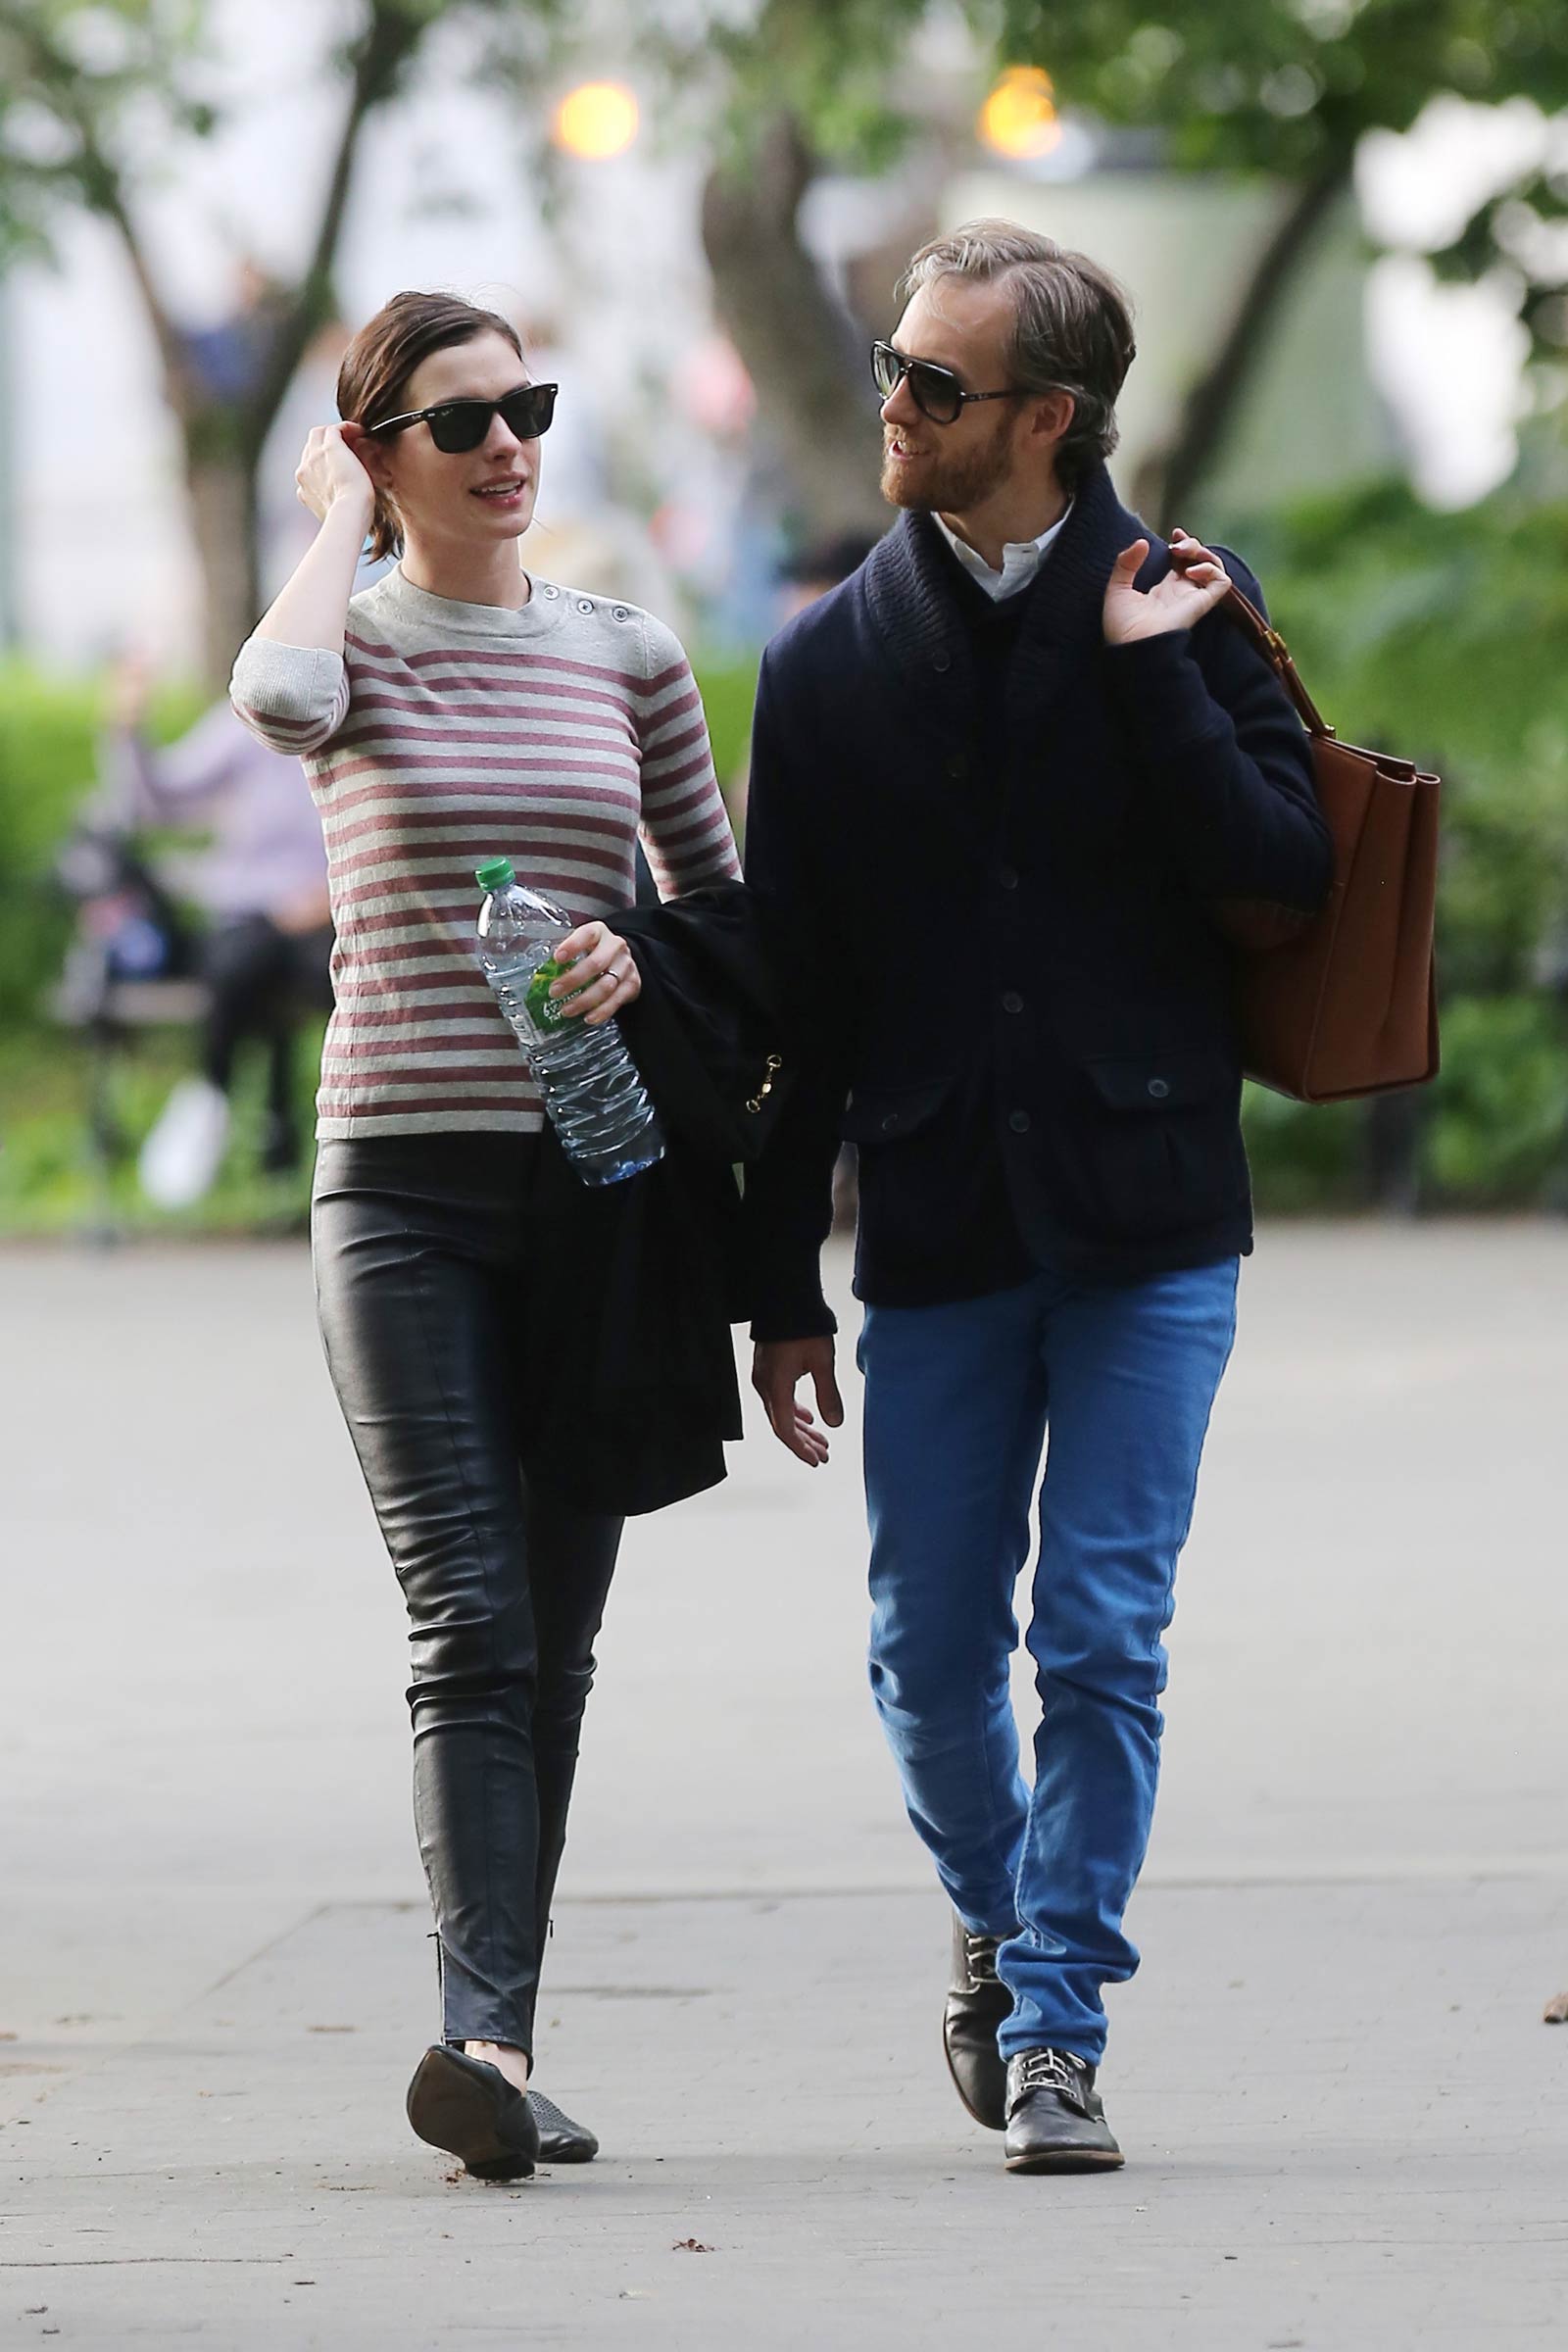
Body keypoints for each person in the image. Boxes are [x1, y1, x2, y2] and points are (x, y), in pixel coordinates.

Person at [742, 220, 1332, 2175]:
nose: (891, 406)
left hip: (1151, 1207)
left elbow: (1282, 875)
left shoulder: (1187, 601)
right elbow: (796, 1000)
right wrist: (774, 1285)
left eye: (931, 383)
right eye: (893, 369)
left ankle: (1059, 2024)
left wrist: (1159, 683)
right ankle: (994, 1920)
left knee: (1095, 1633)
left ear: (1045, 418)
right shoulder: (824, 664)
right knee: (922, 1649)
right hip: (928, 1223)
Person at [229, 290, 739, 2179]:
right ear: (379, 457)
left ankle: (499, 2041)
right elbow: (277, 705)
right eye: (460, 422)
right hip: (401, 1193)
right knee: (471, 1620)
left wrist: (642, 956)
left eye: (529, 405)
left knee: (561, 1639)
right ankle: (488, 2039)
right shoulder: (345, 644)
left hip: (597, 1194)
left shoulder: (627, 655)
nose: (512, 443)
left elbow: (726, 919)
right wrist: (330, 526)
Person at [99, 661, 333, 1205]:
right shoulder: (242, 729)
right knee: (236, 968)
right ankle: (214, 1097)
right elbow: (154, 805)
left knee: (339, 980)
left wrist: (324, 894)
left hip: (329, 911)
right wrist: (127, 730)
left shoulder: (353, 725)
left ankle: (331, 1126)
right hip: (250, 914)